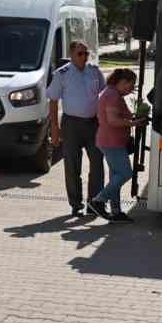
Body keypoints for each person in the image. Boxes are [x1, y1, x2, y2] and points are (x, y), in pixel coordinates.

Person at [47, 40, 105, 217]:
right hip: (71, 124)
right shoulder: (62, 74)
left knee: (97, 164)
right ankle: (76, 203)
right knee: (72, 165)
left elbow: (104, 95)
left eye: (86, 53)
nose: (84, 57)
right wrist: (55, 129)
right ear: (71, 55)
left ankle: (95, 203)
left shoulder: (95, 71)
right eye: (80, 54)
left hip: (94, 124)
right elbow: (53, 100)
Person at [88, 69, 144, 221]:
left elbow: (116, 116)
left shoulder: (112, 93)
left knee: (115, 177)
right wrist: (133, 122)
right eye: (130, 85)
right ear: (122, 82)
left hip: (111, 141)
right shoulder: (112, 95)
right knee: (125, 173)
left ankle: (116, 210)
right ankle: (98, 200)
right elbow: (113, 120)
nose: (131, 89)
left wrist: (132, 117)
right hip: (111, 142)